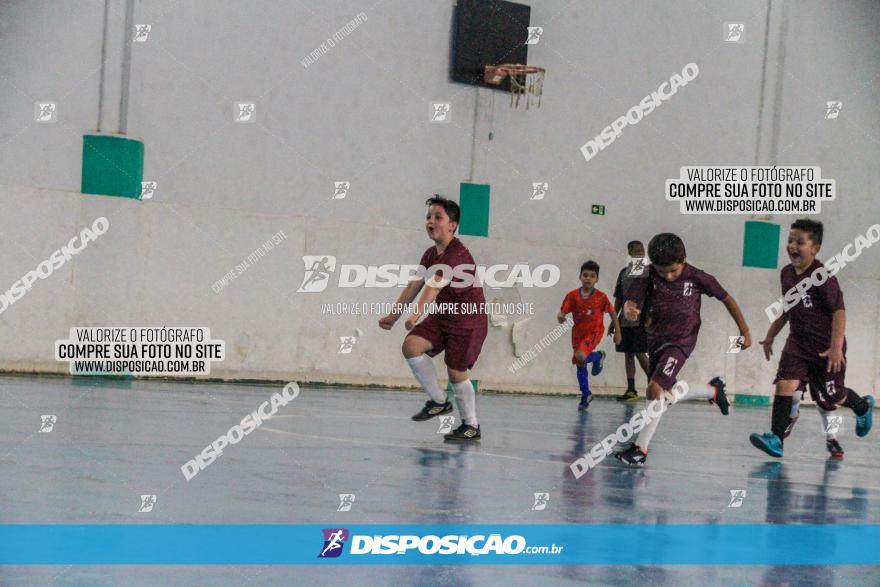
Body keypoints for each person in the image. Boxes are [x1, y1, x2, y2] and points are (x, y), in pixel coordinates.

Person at [615, 233, 748, 465]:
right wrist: (629, 310)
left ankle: (640, 449)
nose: (667, 276)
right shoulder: (647, 275)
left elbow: (727, 299)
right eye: (662, 271)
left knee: (655, 389)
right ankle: (712, 391)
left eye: (673, 271)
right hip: (656, 339)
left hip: (682, 340)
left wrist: (744, 331)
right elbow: (631, 301)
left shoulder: (698, 277)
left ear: (684, 260)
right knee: (666, 390)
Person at [750, 219, 874, 458]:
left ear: (815, 248)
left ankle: (862, 406)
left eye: (800, 242)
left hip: (825, 347)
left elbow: (839, 311)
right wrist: (771, 335)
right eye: (790, 240)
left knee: (832, 396)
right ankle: (776, 439)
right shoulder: (786, 274)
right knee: (785, 384)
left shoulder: (822, 276)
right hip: (798, 342)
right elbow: (788, 308)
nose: (792, 246)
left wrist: (836, 346)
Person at [379, 195, 488, 441]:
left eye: (438, 217)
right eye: (429, 216)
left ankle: (471, 426)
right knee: (411, 345)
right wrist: (394, 316)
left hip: (467, 319)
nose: (431, 221)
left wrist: (416, 313)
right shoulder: (430, 254)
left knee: (456, 372)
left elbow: (434, 286)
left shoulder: (456, 254)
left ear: (453, 225)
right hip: (443, 315)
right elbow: (415, 284)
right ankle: (439, 401)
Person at [558, 261, 622, 410]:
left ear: (597, 279)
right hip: (577, 334)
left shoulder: (601, 297)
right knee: (580, 363)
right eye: (585, 275)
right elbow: (563, 311)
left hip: (594, 332)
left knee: (581, 356)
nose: (588, 278)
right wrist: (560, 316)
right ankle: (586, 394)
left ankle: (599, 355)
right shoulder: (572, 295)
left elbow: (612, 313)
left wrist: (618, 332)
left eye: (592, 276)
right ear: (580, 276)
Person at [610, 240, 651, 401]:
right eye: (635, 250)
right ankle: (631, 390)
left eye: (641, 250)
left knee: (641, 354)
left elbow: (653, 298)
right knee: (628, 355)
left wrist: (649, 317)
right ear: (629, 253)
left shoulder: (649, 273)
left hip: (641, 322)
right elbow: (619, 299)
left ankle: (654, 384)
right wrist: (614, 321)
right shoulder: (623, 273)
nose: (638, 252)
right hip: (625, 322)